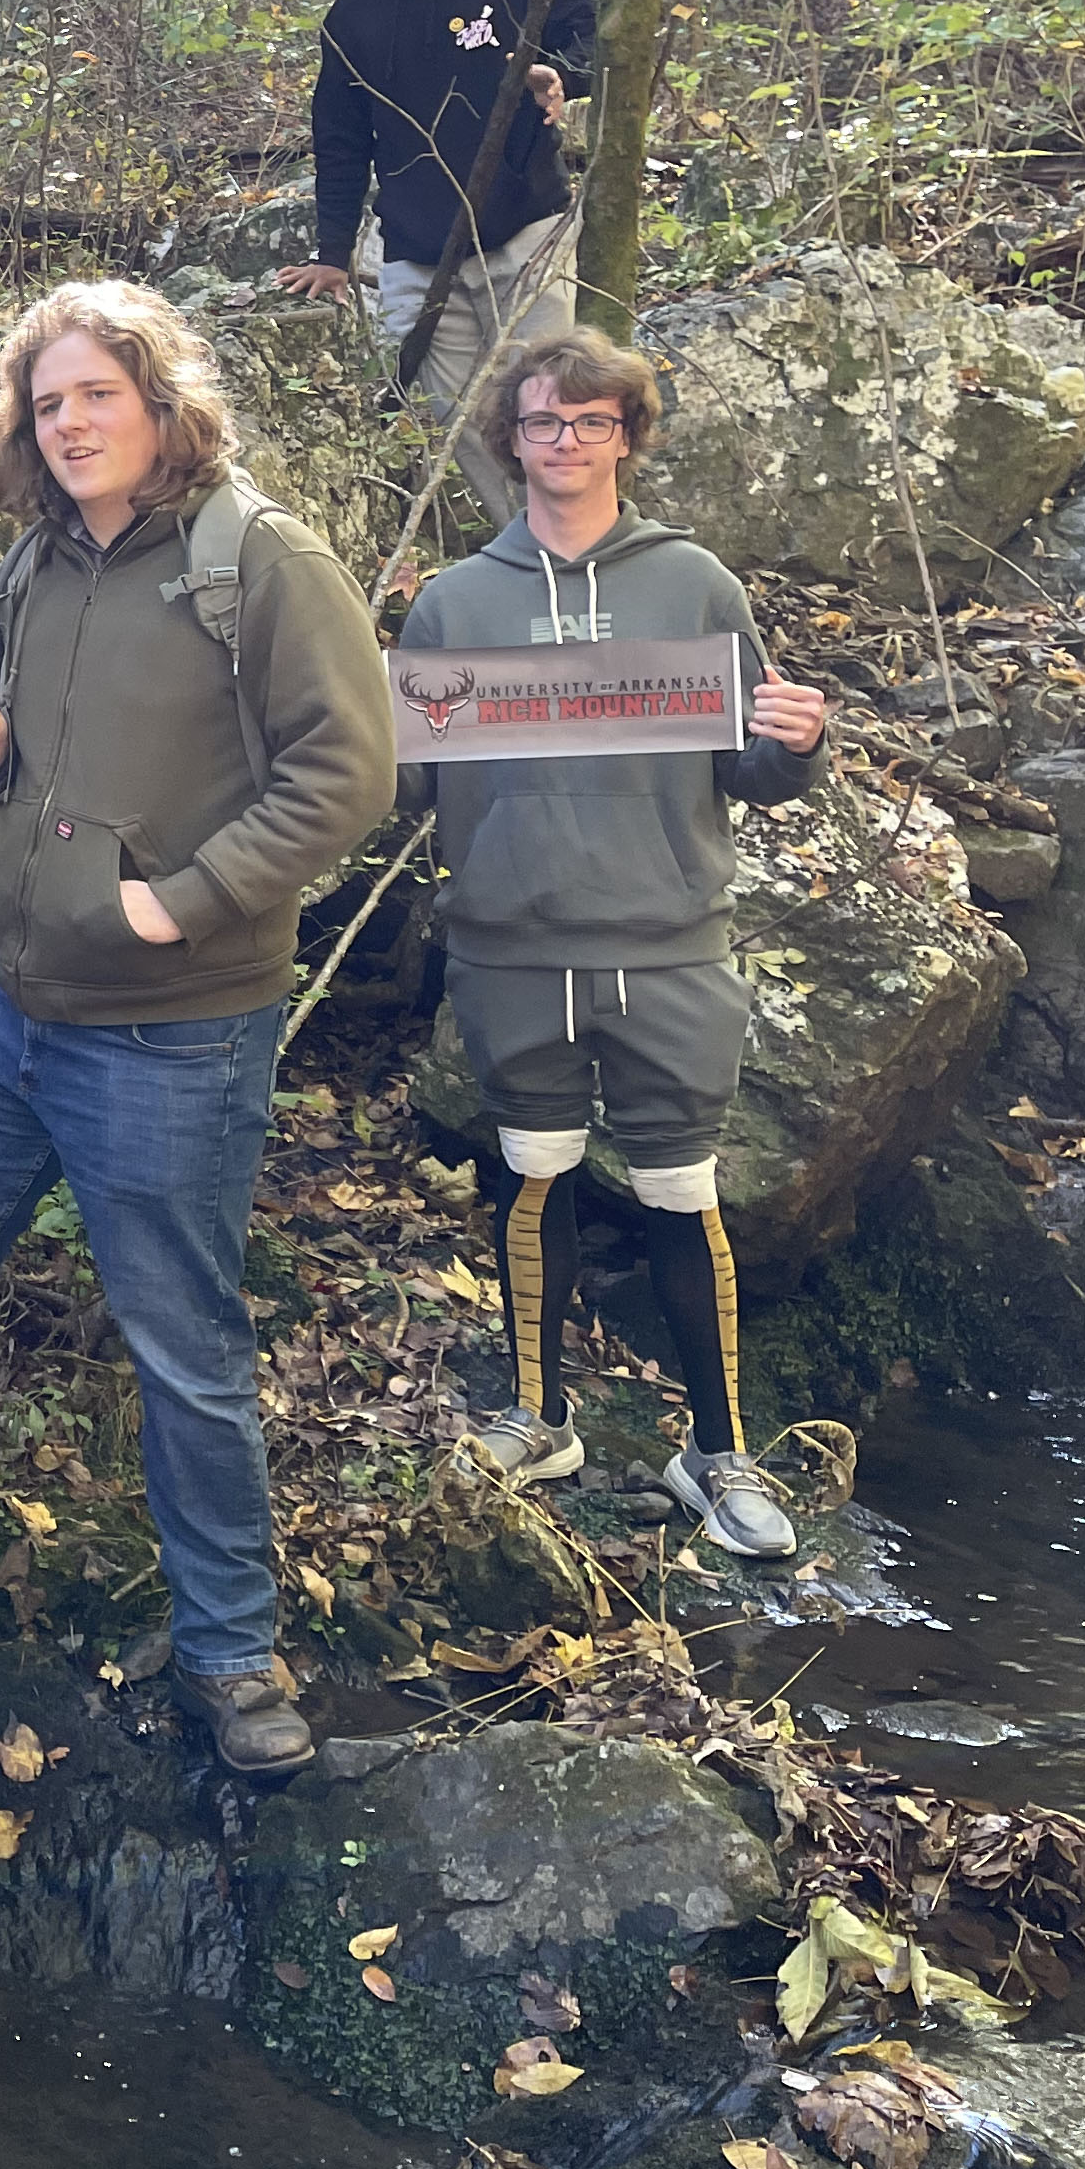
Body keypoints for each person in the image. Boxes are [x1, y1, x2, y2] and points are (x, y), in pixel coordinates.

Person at [0, 282, 393, 1775]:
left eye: (98, 395)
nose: (69, 423)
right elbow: (24, 780)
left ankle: (231, 1655)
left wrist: (189, 901)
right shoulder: (32, 564)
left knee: (185, 1350)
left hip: (171, 1035)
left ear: (160, 403)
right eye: (47, 402)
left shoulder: (256, 558)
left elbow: (350, 768)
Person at [403, 327, 832, 1558]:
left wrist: (800, 742)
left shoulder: (695, 585)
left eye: (593, 422)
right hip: (510, 943)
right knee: (531, 1173)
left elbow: (750, 765)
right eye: (545, 422)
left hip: (671, 941)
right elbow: (403, 779)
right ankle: (540, 1418)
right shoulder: (455, 600)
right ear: (513, 439)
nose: (568, 443)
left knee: (677, 1192)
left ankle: (719, 1451)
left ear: (628, 436)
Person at [277, 0, 600, 530]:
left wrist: (564, 78)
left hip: (526, 227)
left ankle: (578, 542)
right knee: (458, 419)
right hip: (416, 250)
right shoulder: (353, 17)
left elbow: (594, 30)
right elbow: (339, 141)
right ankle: (519, 547)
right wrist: (334, 255)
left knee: (546, 402)